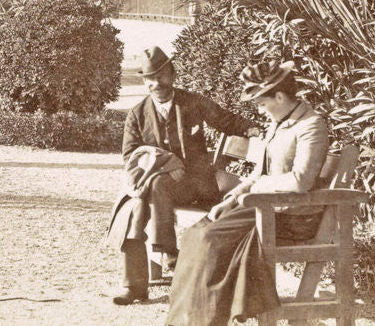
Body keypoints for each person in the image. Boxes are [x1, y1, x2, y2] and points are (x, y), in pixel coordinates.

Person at [166, 59, 330, 326]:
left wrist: (259, 186)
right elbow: (256, 175)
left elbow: (300, 181)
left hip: (292, 216)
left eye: (262, 104)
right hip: (264, 208)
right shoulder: (279, 123)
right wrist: (231, 199)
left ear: (279, 97)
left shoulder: (311, 125)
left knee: (210, 240)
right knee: (195, 234)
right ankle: (184, 321)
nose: (261, 111)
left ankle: (207, 320)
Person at [107, 46, 260, 306]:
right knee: (134, 207)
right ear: (144, 81)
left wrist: (252, 129)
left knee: (153, 189)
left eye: (161, 76)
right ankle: (135, 285)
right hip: (159, 187)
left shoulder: (193, 102)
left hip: (198, 185)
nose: (156, 83)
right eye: (150, 78)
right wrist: (166, 163)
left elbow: (226, 120)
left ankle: (167, 257)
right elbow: (130, 156)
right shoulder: (137, 114)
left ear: (173, 74)